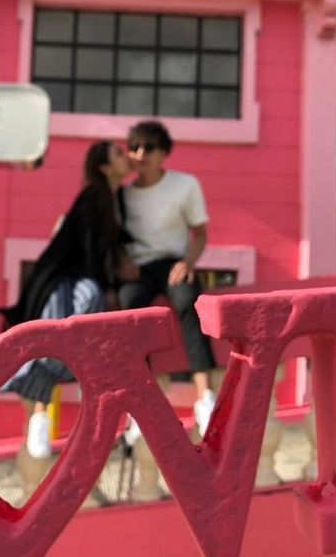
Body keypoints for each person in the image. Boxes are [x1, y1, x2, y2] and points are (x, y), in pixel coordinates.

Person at [0, 140, 132, 458]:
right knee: (74, 314)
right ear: (104, 167)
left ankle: (40, 412)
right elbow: (89, 246)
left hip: (80, 276)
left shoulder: (117, 199)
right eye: (118, 153)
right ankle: (39, 414)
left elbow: (113, 243)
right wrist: (108, 286)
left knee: (73, 331)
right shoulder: (94, 195)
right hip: (65, 277)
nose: (126, 155)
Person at [118, 120, 217, 437]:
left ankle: (205, 396)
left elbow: (200, 233)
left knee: (188, 301)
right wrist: (123, 262)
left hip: (173, 260)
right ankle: (139, 403)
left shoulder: (185, 185)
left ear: (164, 153)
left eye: (148, 147)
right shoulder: (122, 193)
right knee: (128, 309)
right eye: (134, 147)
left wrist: (188, 262)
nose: (140, 154)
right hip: (138, 267)